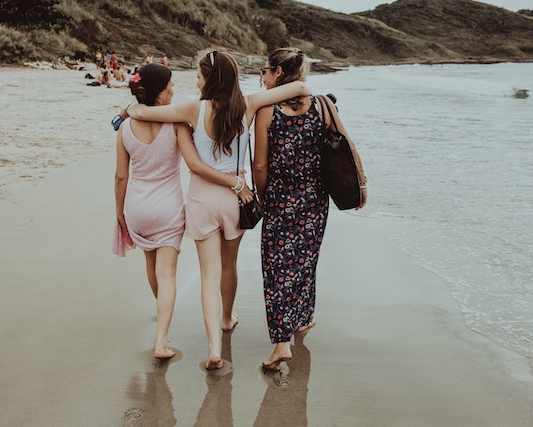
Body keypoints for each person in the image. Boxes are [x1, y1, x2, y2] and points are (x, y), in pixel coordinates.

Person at [122, 50, 312, 369]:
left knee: (209, 275)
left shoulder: (193, 109)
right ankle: (227, 318)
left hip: (203, 198)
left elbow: (142, 115)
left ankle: (213, 349)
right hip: (236, 198)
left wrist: (127, 107)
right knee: (229, 266)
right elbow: (302, 89)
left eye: (199, 76)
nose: (196, 82)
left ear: (210, 79)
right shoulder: (248, 104)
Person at [114, 63, 253, 360]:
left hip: (138, 205)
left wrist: (119, 211)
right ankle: (169, 341)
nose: (175, 90)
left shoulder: (124, 128)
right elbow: (194, 161)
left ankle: (163, 314)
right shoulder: (179, 123)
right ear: (160, 93)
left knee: (153, 268)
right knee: (173, 274)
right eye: (170, 87)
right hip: (171, 207)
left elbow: (121, 176)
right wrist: (236, 181)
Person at [253, 48, 367, 370]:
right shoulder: (323, 106)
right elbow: (348, 145)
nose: (263, 77)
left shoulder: (267, 111)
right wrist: (363, 183)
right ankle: (302, 318)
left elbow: (260, 165)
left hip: (279, 201)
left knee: (277, 269)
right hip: (315, 201)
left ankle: (281, 343)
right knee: (305, 260)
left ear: (277, 73)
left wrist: (260, 198)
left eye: (265, 71)